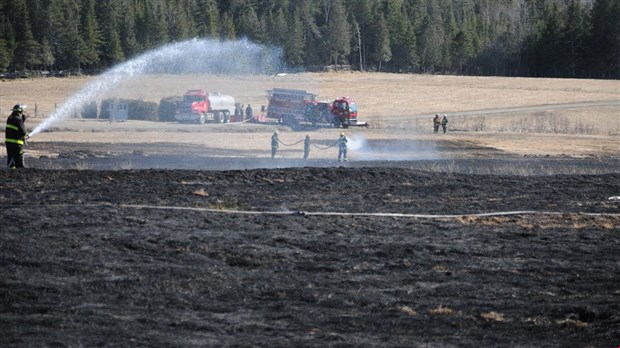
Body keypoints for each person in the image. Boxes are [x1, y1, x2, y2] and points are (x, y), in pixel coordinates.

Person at [5, 104, 29, 169]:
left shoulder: (9, 118)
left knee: (11, 160)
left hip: (9, 143)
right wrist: (22, 120)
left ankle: (11, 173)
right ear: (20, 112)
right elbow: (23, 132)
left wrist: (22, 120)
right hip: (16, 144)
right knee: (19, 162)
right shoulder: (18, 119)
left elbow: (15, 127)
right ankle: (19, 173)